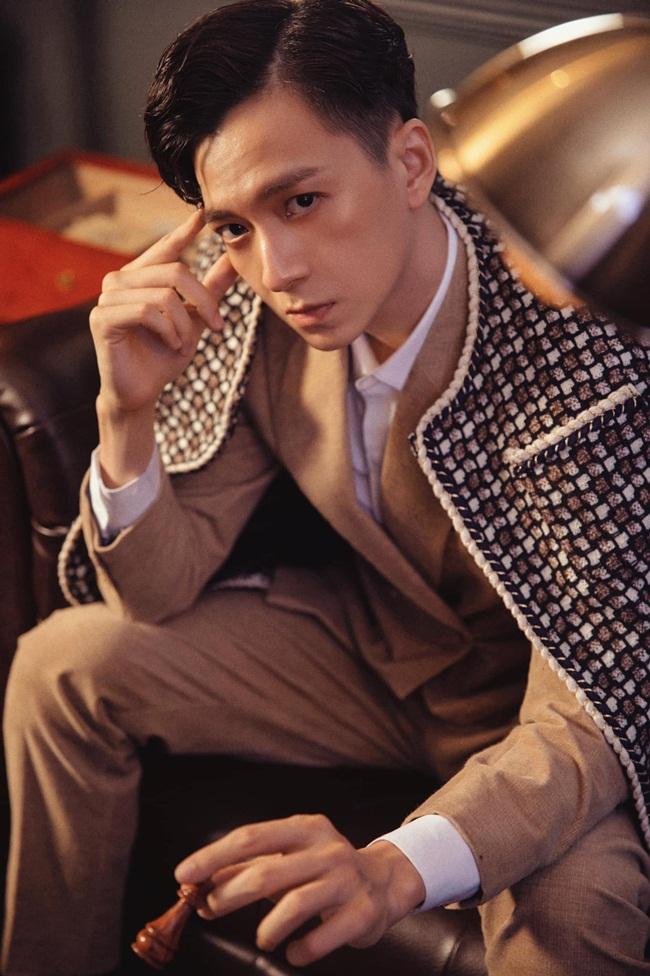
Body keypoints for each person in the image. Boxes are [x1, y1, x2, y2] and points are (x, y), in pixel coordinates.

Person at [3, 1, 649, 974]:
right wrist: (125, 414)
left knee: (570, 905)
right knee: (63, 666)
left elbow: (600, 688)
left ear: (410, 163)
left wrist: (395, 866)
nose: (278, 269)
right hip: (382, 658)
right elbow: (155, 592)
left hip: (550, 711)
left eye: (302, 200)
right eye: (235, 225)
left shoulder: (566, 320)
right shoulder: (244, 304)